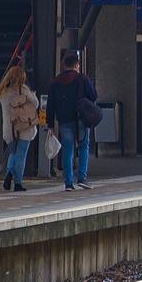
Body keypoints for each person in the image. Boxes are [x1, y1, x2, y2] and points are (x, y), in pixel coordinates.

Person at [48, 51, 97, 191]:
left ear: (64, 66)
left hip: (63, 120)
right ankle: (82, 178)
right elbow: (93, 96)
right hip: (81, 118)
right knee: (83, 147)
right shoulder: (83, 78)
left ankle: (68, 183)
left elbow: (50, 104)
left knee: (67, 150)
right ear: (76, 65)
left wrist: (50, 124)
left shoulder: (55, 82)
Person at [0, 65, 38, 192]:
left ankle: (9, 173)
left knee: (13, 153)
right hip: (23, 126)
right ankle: (18, 182)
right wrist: (32, 94)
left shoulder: (2, 91)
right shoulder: (22, 89)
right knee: (21, 156)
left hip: (9, 128)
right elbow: (35, 104)